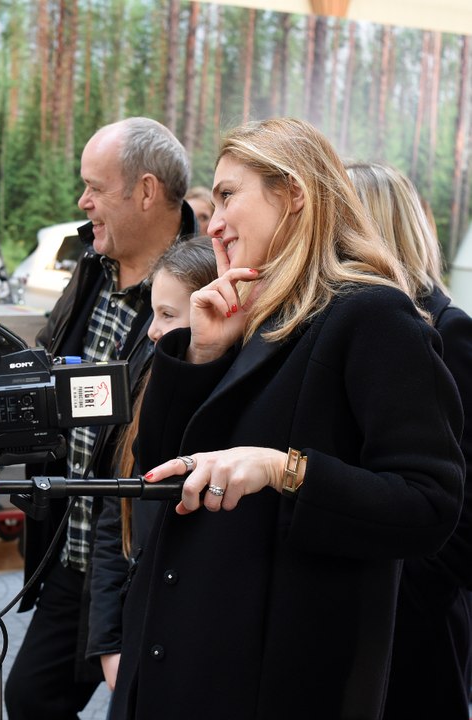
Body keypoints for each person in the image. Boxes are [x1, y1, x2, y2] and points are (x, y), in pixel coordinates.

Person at [113, 117, 464, 719]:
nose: (213, 221)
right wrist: (201, 352)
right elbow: (157, 479)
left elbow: (428, 504)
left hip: (273, 679)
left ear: (295, 193)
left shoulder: (372, 314)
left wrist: (286, 469)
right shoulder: (245, 313)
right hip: (183, 653)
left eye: (228, 195)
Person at [5, 117, 196, 719]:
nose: (82, 202)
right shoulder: (93, 264)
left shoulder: (201, 285)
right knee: (32, 697)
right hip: (75, 543)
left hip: (145, 562)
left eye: (95, 187)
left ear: (144, 191)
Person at [346, 161, 472, 720]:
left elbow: (462, 501)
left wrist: (405, 589)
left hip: (414, 627)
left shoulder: (448, 331)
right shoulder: (349, 327)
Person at [87, 236, 218, 697]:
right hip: (140, 630)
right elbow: (113, 517)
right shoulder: (151, 387)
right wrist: (109, 644)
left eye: (167, 315)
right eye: (153, 314)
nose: (152, 332)